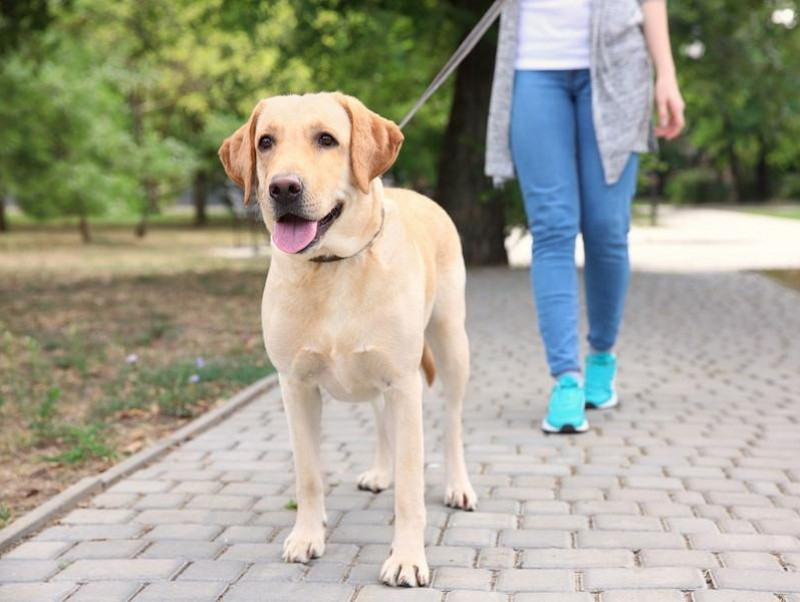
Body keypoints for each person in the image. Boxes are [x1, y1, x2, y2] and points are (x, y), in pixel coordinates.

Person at [485, 0, 685, 433]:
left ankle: (601, 355)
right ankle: (566, 379)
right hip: (533, 67)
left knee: (607, 228)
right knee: (553, 228)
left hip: (618, 67)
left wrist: (666, 74)